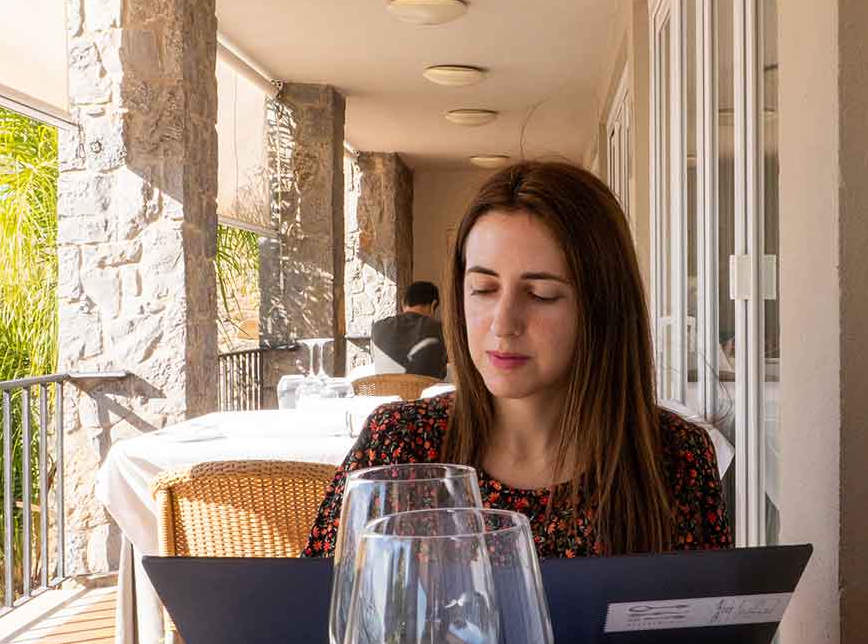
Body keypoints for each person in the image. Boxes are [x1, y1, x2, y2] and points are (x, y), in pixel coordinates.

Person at [305, 161, 732, 558]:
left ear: (602, 308)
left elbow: (711, 632)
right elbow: (312, 616)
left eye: (541, 294)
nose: (503, 323)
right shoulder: (399, 448)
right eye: (484, 289)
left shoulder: (675, 458)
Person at [369, 280, 448, 380]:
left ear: (403, 303)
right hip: (426, 394)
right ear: (433, 305)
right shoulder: (441, 329)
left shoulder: (377, 327)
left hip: (384, 393)